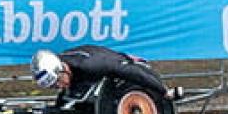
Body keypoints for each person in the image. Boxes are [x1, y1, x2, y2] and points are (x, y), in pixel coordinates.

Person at [30, 45, 184, 101]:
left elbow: (130, 72)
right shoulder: (60, 61)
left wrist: (164, 91)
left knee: (127, 72)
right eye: (53, 87)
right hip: (94, 64)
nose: (59, 87)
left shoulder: (90, 66)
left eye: (58, 82)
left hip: (116, 62)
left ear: (62, 68)